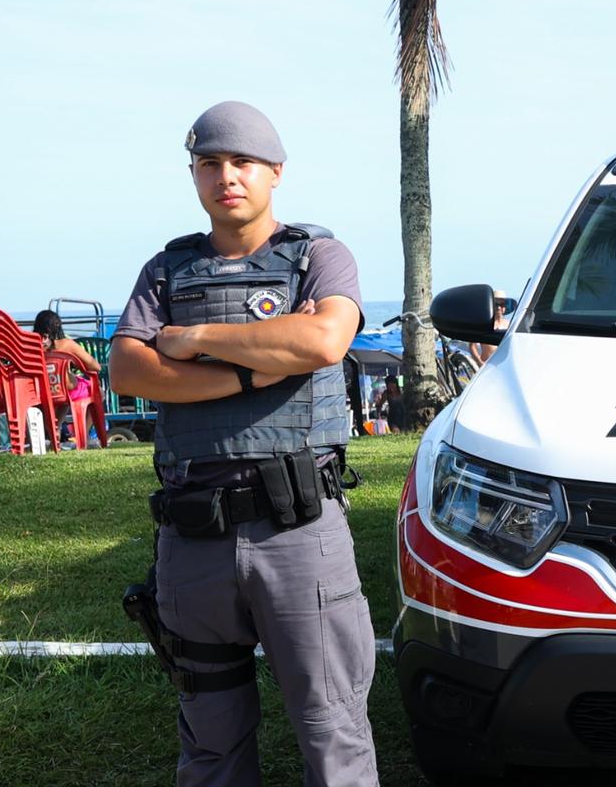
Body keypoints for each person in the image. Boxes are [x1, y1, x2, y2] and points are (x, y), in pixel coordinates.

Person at [107, 101, 378, 785]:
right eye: (209, 164)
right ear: (195, 175)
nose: (226, 176)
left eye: (243, 163)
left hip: (300, 534)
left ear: (275, 173)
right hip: (194, 540)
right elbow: (131, 370)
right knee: (210, 740)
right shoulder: (165, 272)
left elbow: (321, 340)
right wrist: (258, 368)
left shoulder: (319, 256)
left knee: (332, 730)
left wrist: (194, 342)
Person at [34, 310, 103, 447]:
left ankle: (55, 429)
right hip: (66, 390)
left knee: (61, 398)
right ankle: (83, 436)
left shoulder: (30, 344)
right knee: (98, 392)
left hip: (39, 393)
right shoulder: (67, 344)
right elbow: (95, 367)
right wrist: (75, 363)